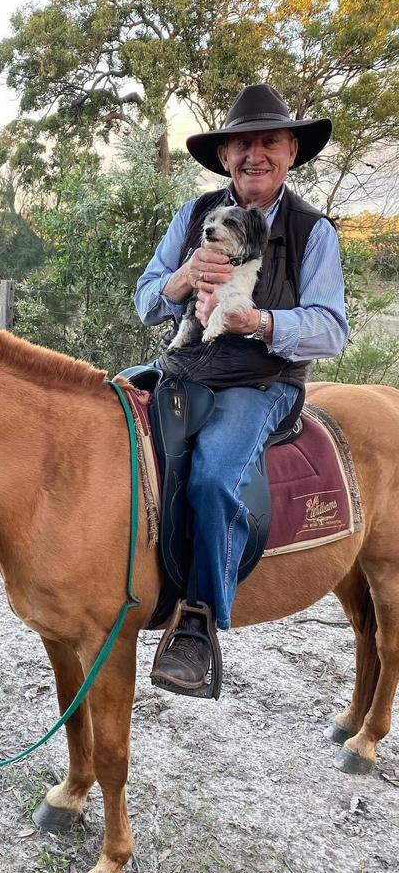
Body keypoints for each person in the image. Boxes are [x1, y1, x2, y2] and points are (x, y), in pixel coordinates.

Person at [134, 83, 349, 696]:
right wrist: (180, 279)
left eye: (269, 143)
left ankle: (198, 621)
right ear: (225, 155)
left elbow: (332, 328)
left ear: (290, 154)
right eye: (243, 144)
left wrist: (262, 323)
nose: (255, 154)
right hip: (184, 367)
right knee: (102, 422)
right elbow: (146, 299)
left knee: (212, 475)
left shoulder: (314, 233)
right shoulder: (193, 216)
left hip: (261, 381)